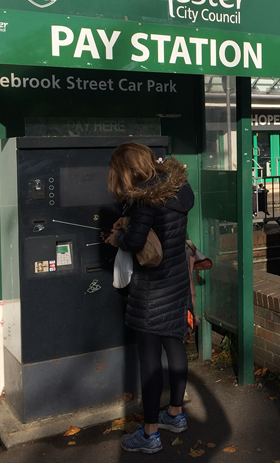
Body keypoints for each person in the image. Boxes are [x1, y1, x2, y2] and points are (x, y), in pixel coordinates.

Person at [104, 142, 195, 455]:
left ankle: (150, 433)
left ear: (128, 169)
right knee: (175, 344)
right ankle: (175, 415)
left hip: (152, 288)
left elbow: (135, 242)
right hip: (176, 279)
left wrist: (118, 236)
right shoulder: (176, 188)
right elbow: (162, 229)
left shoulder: (145, 199)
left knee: (149, 359)